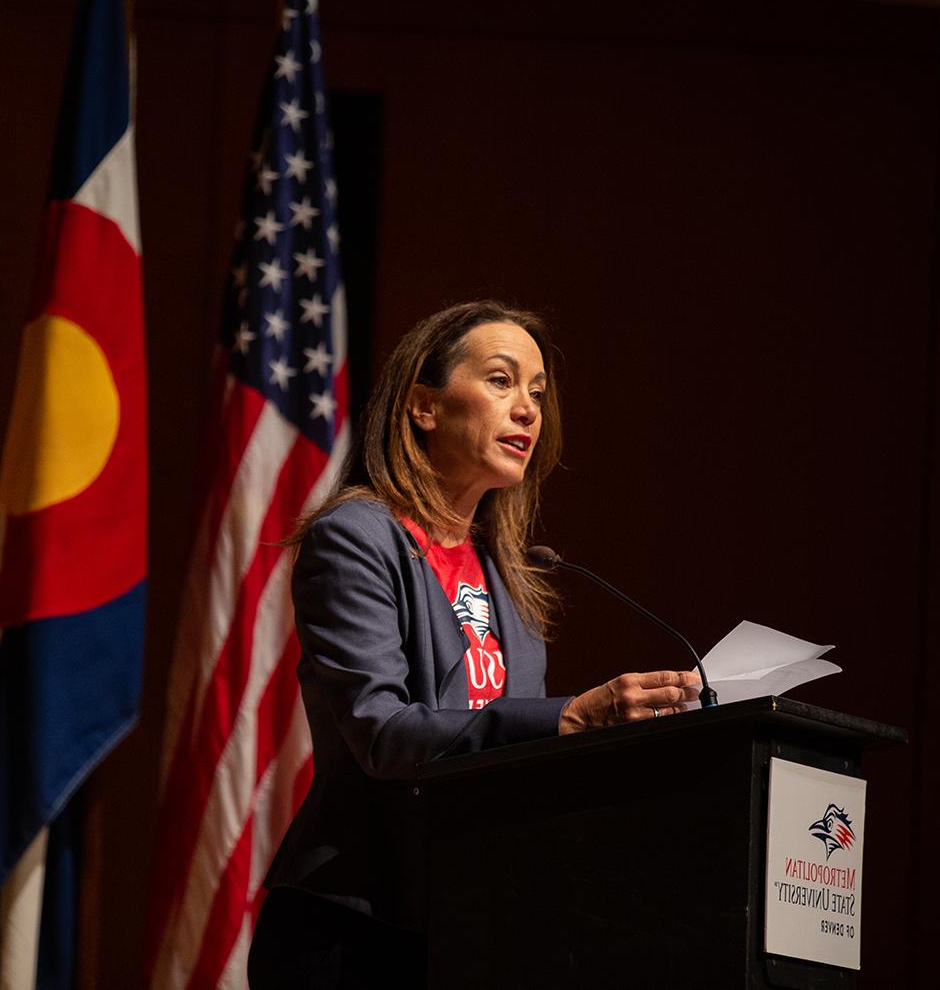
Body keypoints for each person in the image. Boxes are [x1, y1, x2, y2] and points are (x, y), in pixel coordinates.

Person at [248, 300, 700, 988]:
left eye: (538, 393)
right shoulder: (357, 537)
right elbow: (381, 730)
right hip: (357, 927)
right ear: (424, 405)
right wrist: (569, 715)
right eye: (500, 380)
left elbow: (512, 763)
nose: (527, 409)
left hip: (476, 926)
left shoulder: (515, 576)